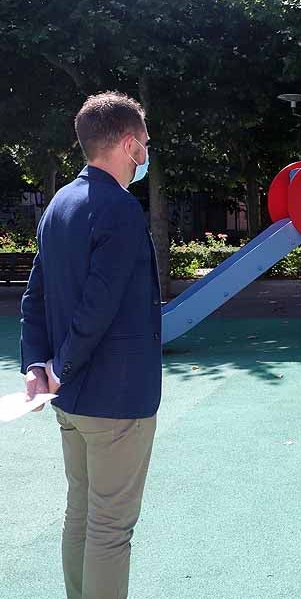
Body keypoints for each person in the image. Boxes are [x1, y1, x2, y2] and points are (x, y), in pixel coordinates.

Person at [20, 91, 161, 599]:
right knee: (110, 530)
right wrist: (64, 366)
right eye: (144, 142)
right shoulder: (119, 209)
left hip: (72, 401)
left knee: (79, 515)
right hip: (115, 399)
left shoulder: (59, 203)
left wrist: (38, 364)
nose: (146, 152)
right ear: (128, 144)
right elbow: (98, 305)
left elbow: (36, 293)